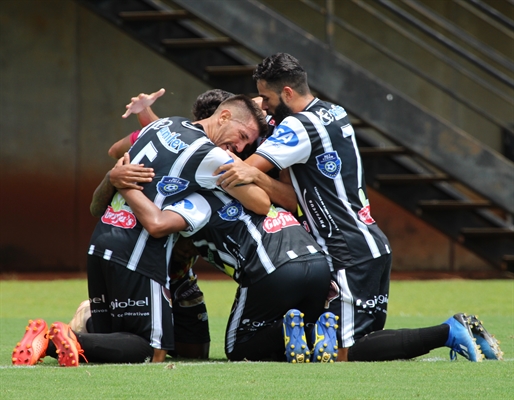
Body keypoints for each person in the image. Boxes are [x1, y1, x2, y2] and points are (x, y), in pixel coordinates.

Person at [213, 53, 503, 362]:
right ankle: (459, 332)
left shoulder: (298, 127)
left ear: (287, 93)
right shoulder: (333, 111)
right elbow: (292, 195)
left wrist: (240, 164)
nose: (264, 103)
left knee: (346, 352)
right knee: (362, 342)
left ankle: (449, 331)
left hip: (346, 250)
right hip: (369, 242)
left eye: (267, 97)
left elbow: (243, 170)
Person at [12, 94, 271, 367]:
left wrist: (114, 178)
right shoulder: (211, 155)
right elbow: (261, 203)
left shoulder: (163, 125)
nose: (241, 147)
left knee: (110, 337)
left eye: (246, 143)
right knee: (151, 350)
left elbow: (95, 205)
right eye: (242, 135)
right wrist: (247, 171)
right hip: (138, 253)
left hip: (100, 242)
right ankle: (57, 340)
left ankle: (59, 336)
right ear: (225, 116)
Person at [113, 155, 335, 362]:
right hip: (318, 263)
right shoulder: (242, 190)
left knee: (237, 347)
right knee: (296, 328)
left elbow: (158, 225)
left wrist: (122, 185)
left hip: (272, 267)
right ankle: (313, 332)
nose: (180, 254)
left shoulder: (195, 205)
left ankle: (284, 330)